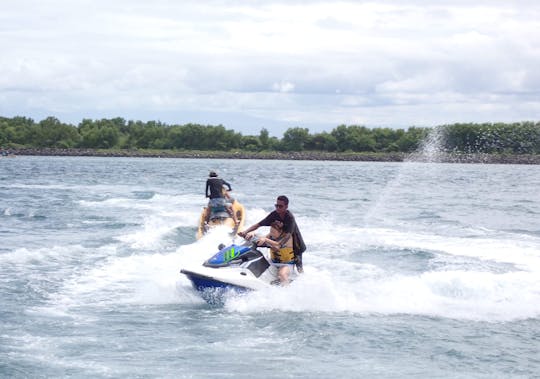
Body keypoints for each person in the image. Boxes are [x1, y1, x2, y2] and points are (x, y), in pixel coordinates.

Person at [238, 195, 306, 277]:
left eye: (280, 206)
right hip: (277, 253)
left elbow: (280, 243)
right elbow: (258, 225)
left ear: (286, 206)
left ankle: (300, 280)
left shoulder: (290, 218)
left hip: (295, 246)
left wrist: (265, 239)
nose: (277, 208)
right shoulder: (274, 215)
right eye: (276, 205)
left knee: (299, 270)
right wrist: (247, 232)